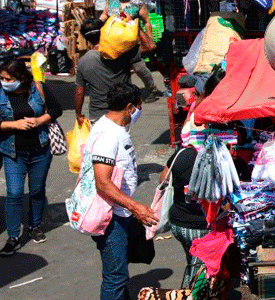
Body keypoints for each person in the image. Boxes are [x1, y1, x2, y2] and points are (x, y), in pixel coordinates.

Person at [0, 59, 62, 256]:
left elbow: (55, 110)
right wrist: (14, 125)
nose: (4, 81)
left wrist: (39, 120)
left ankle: (34, 226)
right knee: (15, 193)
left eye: (8, 78)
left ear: (20, 78)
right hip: (13, 153)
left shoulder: (39, 88)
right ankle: (13, 236)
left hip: (40, 150)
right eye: (1, 78)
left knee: (37, 190)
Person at [87, 83, 158, 300]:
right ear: (129, 107)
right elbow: (103, 183)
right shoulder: (108, 135)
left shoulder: (115, 130)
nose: (138, 112)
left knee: (119, 273)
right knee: (115, 277)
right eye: (138, 107)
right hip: (111, 217)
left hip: (120, 213)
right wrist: (136, 207)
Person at [158, 72, 221, 288]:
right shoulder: (216, 161)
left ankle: (191, 288)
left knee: (193, 264)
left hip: (178, 223)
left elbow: (164, 177)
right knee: (199, 273)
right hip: (199, 226)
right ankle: (191, 292)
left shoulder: (181, 154)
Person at [102, 0, 165, 100]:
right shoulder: (112, 0)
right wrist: (98, 24)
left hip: (132, 41)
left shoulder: (137, 2)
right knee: (116, 69)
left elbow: (147, 21)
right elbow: (105, 14)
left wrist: (149, 37)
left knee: (139, 68)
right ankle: (121, 94)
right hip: (114, 42)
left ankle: (152, 89)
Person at [75, 18, 133, 124]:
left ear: (85, 37)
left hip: (98, 116)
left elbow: (79, 92)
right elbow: (150, 46)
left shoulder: (83, 61)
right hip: (122, 112)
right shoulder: (121, 52)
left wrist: (78, 114)